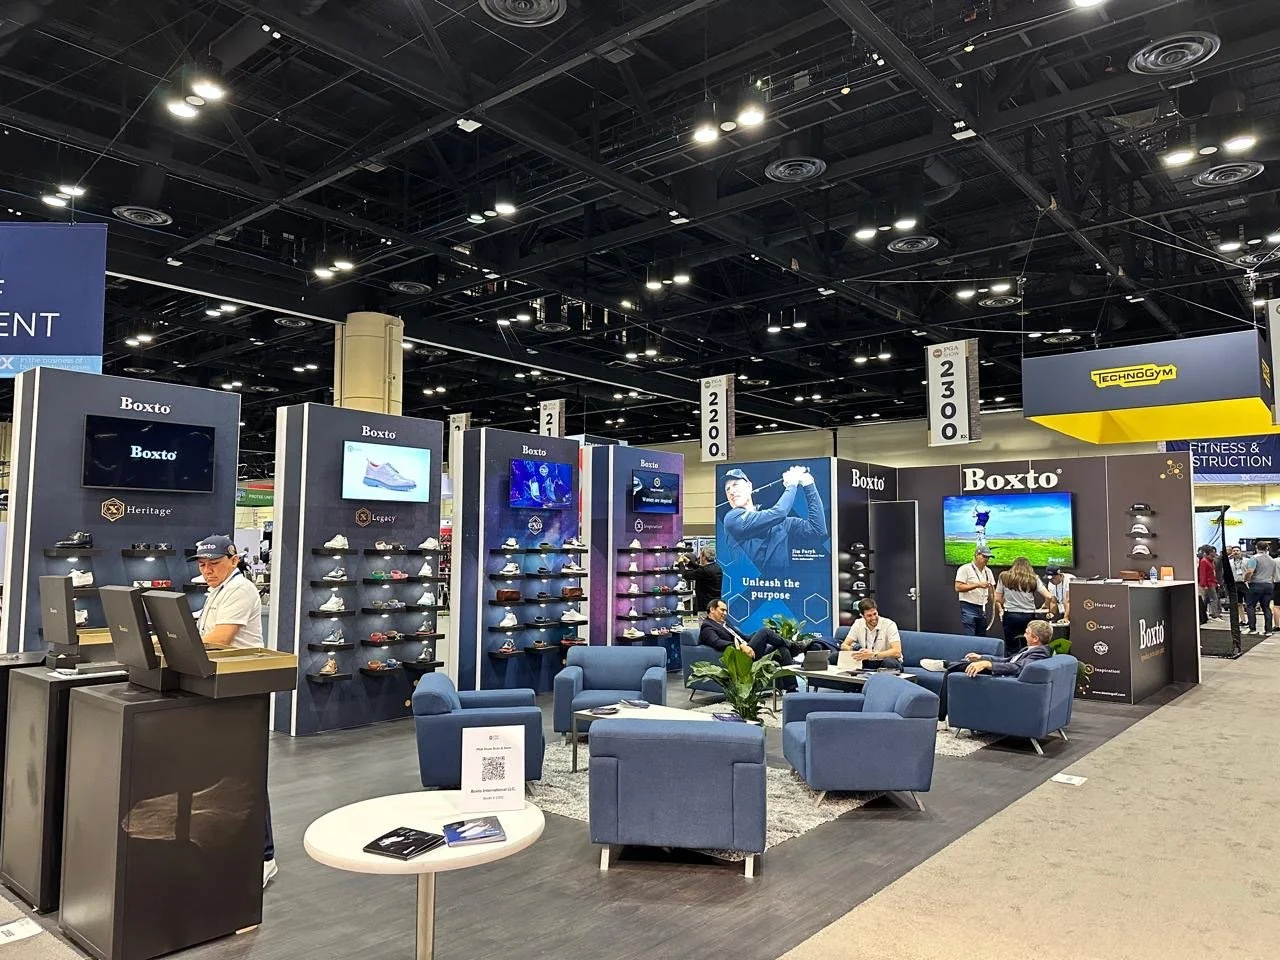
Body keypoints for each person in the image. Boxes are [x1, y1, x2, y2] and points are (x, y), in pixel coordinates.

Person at [193, 535, 277, 888]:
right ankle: (232, 846)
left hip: (242, 688)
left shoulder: (241, 590)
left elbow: (220, 638)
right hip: (221, 686)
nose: (207, 569)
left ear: (234, 558)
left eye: (214, 562)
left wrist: (174, 639)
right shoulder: (216, 590)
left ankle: (264, 856)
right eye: (202, 564)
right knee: (225, 770)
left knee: (246, 771)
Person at [936, 619, 1055, 723]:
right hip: (1004, 674)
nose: (1024, 635)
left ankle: (941, 716)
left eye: (1027, 633)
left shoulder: (1039, 653)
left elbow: (1016, 667)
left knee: (952, 671)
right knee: (965, 665)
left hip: (1005, 680)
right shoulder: (1032, 649)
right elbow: (1008, 660)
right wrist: (982, 658)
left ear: (1035, 638)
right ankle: (947, 664)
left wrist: (989, 665)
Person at [721, 465, 828, 571]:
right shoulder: (732, 518)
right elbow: (780, 512)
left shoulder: (778, 522)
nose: (731, 491)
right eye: (727, 489)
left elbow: (817, 530)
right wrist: (792, 484)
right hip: (750, 586)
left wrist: (808, 484)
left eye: (735, 485)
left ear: (749, 486)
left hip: (782, 585)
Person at [699, 599, 797, 688]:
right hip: (742, 657)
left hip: (751, 650)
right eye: (722, 610)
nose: (725, 613)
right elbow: (716, 642)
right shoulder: (707, 626)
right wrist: (741, 646)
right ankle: (795, 646)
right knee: (765, 632)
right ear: (712, 609)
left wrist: (756, 638)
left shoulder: (725, 623)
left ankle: (791, 689)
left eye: (726, 611)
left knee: (782, 651)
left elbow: (743, 637)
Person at [995, 557, 1055, 654]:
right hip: (1028, 616)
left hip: (1010, 615)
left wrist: (1007, 603)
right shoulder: (1033, 578)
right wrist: (1046, 605)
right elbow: (1048, 596)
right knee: (1028, 645)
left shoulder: (1004, 576)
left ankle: (1011, 666)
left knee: (1011, 646)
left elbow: (997, 598)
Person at [839, 597, 902, 662]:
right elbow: (844, 646)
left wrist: (873, 654)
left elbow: (897, 652)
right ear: (862, 615)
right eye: (869, 615)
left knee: (889, 663)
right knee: (834, 656)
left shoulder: (889, 624)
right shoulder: (858, 623)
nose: (873, 618)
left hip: (883, 659)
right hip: (866, 660)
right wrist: (856, 651)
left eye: (875, 614)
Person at [954, 547, 996, 635]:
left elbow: (992, 591)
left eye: (988, 557)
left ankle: (979, 649)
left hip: (982, 607)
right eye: (984, 556)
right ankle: (970, 649)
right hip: (968, 606)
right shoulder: (965, 569)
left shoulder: (988, 571)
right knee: (970, 634)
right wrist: (978, 585)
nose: (987, 559)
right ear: (977, 555)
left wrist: (998, 606)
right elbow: (958, 587)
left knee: (981, 634)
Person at [677, 545, 723, 613]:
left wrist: (680, 562)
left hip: (705, 607)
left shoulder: (704, 571)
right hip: (715, 605)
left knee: (705, 623)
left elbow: (685, 575)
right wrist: (689, 562)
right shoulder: (717, 567)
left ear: (704, 557)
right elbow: (701, 569)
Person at [1243, 540, 1275, 636]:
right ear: (1266, 548)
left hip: (1256, 584)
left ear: (1256, 548)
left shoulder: (1254, 558)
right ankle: (1268, 630)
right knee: (1266, 607)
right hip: (1268, 585)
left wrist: (1245, 579)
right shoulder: (1271, 559)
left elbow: (1250, 571)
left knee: (1250, 606)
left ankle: (1252, 628)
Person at [1197, 545, 1220, 624]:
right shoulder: (1204, 561)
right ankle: (1214, 615)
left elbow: (1212, 573)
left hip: (1212, 583)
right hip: (1208, 584)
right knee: (1213, 599)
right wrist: (1204, 584)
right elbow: (1202, 574)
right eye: (1212, 552)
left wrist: (1216, 582)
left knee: (1207, 599)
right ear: (1207, 553)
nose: (1214, 554)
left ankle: (1207, 614)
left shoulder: (1211, 561)